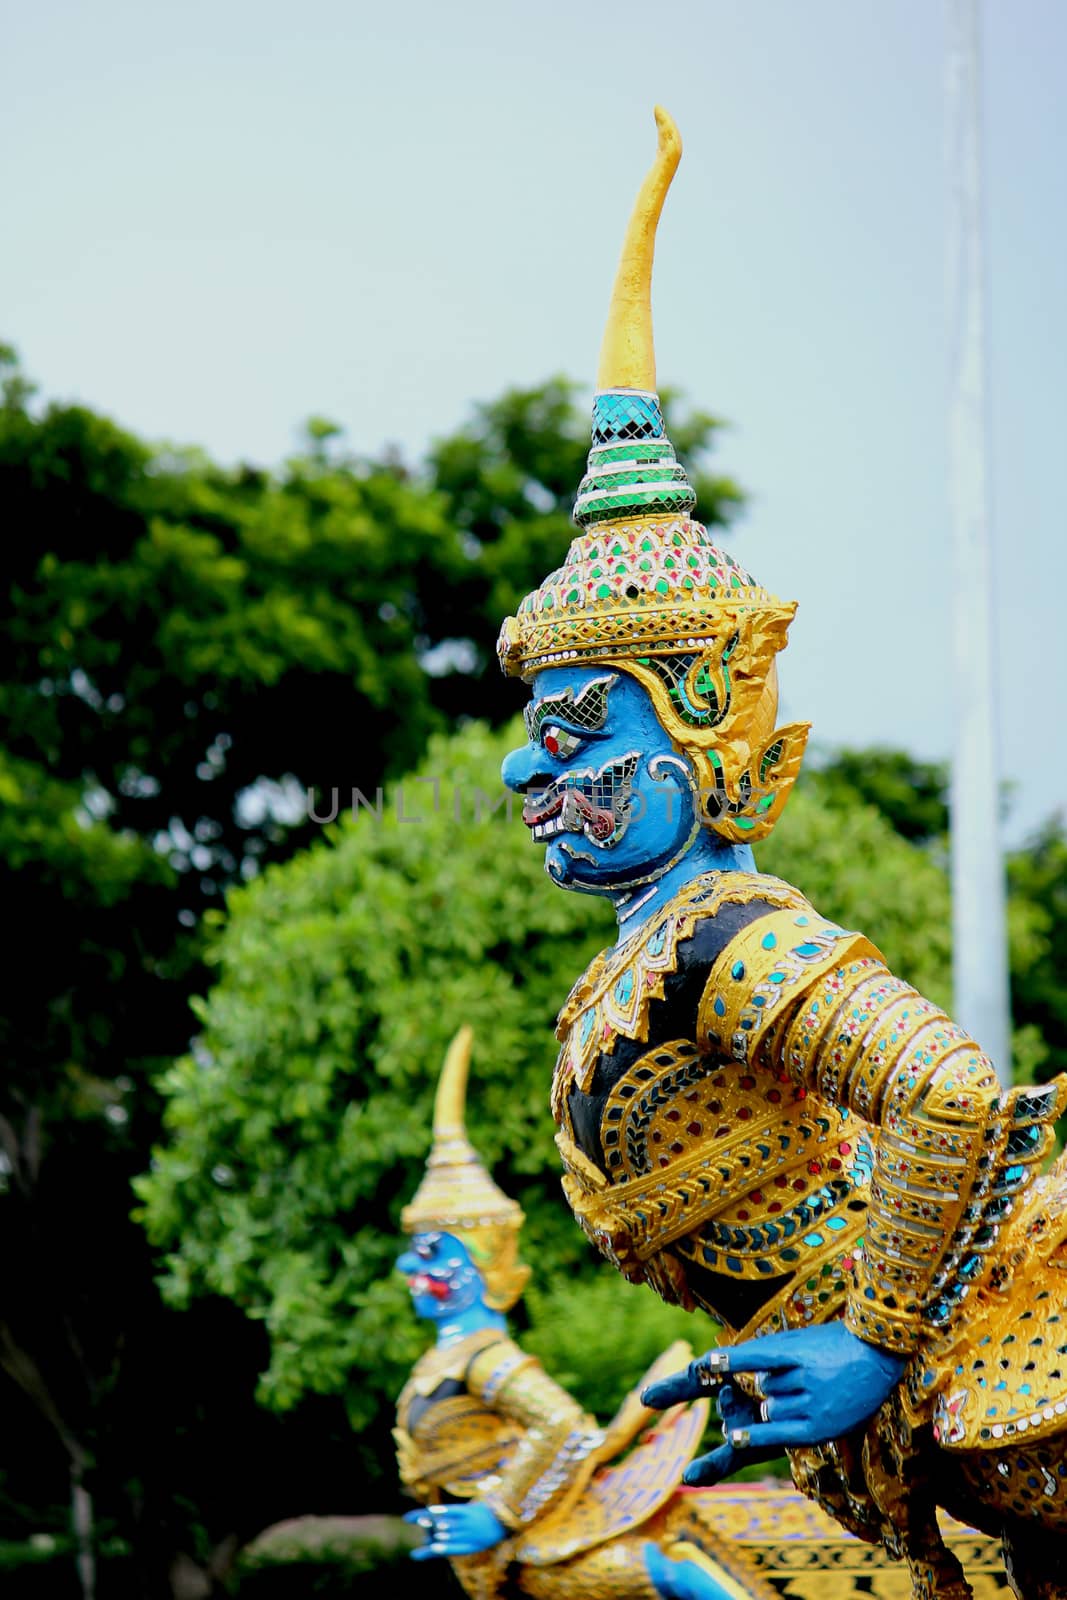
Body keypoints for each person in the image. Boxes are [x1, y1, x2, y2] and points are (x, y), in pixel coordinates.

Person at [496, 107, 1067, 1600]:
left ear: (694, 725)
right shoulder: (646, 954)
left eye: (570, 731)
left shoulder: (720, 933)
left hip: (1004, 1356)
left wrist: (870, 1342)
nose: (518, 768)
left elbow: (948, 1093)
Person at [395, 1026, 772, 1600]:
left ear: (480, 1263)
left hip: (546, 1546)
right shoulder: (448, 1358)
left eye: (431, 1253)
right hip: (499, 1561)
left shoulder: (487, 1360)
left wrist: (497, 1513)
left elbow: (565, 1428)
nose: (408, 1269)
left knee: (661, 1574)